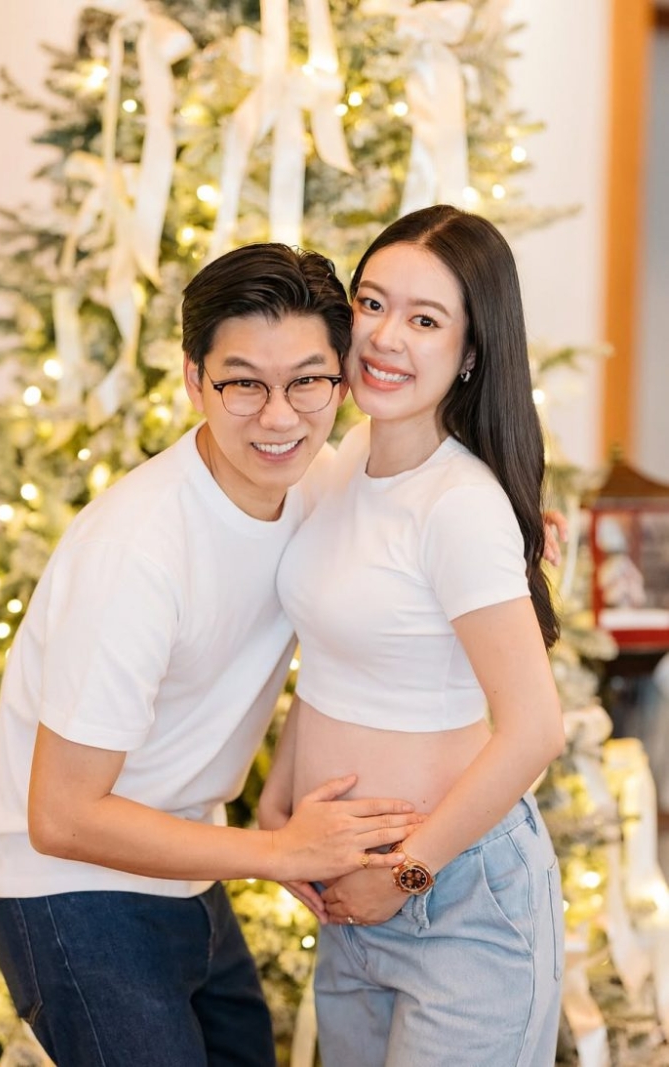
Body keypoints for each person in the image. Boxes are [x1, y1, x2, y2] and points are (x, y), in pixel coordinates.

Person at [0, 243, 423, 1067]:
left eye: (307, 381)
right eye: (243, 383)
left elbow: (417, 500)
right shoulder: (135, 552)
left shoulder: (317, 480)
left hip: (182, 862)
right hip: (64, 884)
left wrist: (515, 518)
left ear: (341, 382)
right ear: (193, 380)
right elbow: (61, 815)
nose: (279, 417)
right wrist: (281, 851)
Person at [260, 205, 566, 1067]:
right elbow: (332, 660)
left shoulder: (459, 505)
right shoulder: (342, 461)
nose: (386, 337)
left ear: (470, 352)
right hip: (351, 894)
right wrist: (280, 809)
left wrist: (406, 872)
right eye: (372, 303)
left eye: (426, 320)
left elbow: (535, 729)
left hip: (456, 900)